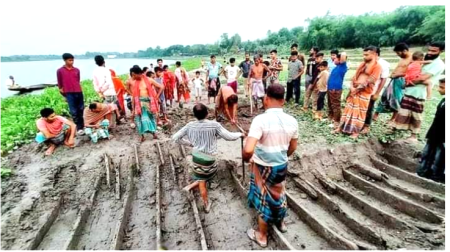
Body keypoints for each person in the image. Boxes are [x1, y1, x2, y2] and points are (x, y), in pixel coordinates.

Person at [243, 84, 298, 248]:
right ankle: (281, 224)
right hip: (281, 166)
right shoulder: (292, 121)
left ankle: (261, 236)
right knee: (279, 194)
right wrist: (282, 157)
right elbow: (293, 147)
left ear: (266, 98)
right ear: (283, 101)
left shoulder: (260, 120)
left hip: (263, 167)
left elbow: (248, 149)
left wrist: (248, 158)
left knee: (263, 201)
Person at [173, 103, 244, 213]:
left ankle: (190, 186)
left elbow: (175, 138)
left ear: (194, 115)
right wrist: (239, 134)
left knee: (201, 176)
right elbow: (229, 137)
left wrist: (189, 144)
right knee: (203, 180)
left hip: (196, 157)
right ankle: (206, 204)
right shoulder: (214, 125)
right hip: (209, 160)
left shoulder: (189, 125)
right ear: (207, 113)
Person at [393, 42, 445, 142]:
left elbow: (422, 78)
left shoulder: (439, 64)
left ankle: (414, 135)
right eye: (429, 50)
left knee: (416, 114)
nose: (430, 52)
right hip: (410, 90)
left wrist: (406, 84)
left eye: (434, 51)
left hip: (420, 93)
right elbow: (412, 70)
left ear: (441, 51)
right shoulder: (422, 58)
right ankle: (395, 129)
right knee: (403, 111)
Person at [335, 46, 382, 139]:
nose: (364, 57)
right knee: (348, 111)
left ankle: (355, 132)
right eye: (363, 55)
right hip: (354, 90)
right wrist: (352, 87)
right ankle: (340, 128)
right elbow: (354, 77)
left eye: (366, 55)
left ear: (374, 54)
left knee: (360, 113)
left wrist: (356, 89)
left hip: (364, 92)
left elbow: (370, 80)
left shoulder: (377, 66)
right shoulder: (362, 64)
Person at [373, 43, 412, 122]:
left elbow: (412, 73)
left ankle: (393, 118)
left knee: (396, 99)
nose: (398, 55)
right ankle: (376, 114)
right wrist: (393, 74)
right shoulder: (402, 58)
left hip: (401, 81)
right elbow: (399, 67)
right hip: (394, 80)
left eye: (398, 53)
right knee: (385, 96)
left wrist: (398, 74)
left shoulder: (412, 59)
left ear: (404, 51)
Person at [417, 79, 445, 183]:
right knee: (427, 153)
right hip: (434, 133)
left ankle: (436, 175)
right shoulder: (443, 101)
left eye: (442, 87)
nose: (438, 89)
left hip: (443, 136)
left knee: (440, 157)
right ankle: (423, 171)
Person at [130, 66, 164, 142]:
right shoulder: (135, 83)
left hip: (148, 103)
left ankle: (154, 133)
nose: (133, 77)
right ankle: (142, 136)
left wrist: (156, 97)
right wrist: (133, 108)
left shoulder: (149, 80)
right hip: (138, 104)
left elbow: (161, 87)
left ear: (137, 73)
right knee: (139, 120)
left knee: (150, 118)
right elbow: (133, 96)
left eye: (133, 75)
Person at [361, 47, 390, 134]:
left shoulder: (383, 64)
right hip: (363, 89)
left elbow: (383, 79)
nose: (364, 56)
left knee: (369, 108)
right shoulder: (367, 62)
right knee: (362, 108)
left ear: (376, 54)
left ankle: (366, 126)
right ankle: (360, 123)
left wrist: (377, 93)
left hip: (373, 90)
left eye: (367, 54)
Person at [57, 53, 85, 135]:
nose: (72, 62)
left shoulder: (76, 70)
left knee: (81, 109)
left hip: (78, 91)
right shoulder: (60, 71)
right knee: (74, 111)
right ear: (65, 60)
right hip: (69, 93)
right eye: (70, 60)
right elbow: (60, 85)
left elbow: (78, 80)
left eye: (72, 60)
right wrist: (64, 95)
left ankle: (82, 125)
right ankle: (78, 127)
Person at [327, 52, 348, 129]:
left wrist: (341, 54)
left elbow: (344, 54)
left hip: (335, 89)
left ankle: (337, 122)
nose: (333, 59)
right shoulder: (336, 67)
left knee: (336, 106)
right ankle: (331, 118)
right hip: (330, 88)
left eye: (335, 58)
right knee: (330, 104)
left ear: (340, 59)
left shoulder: (343, 66)